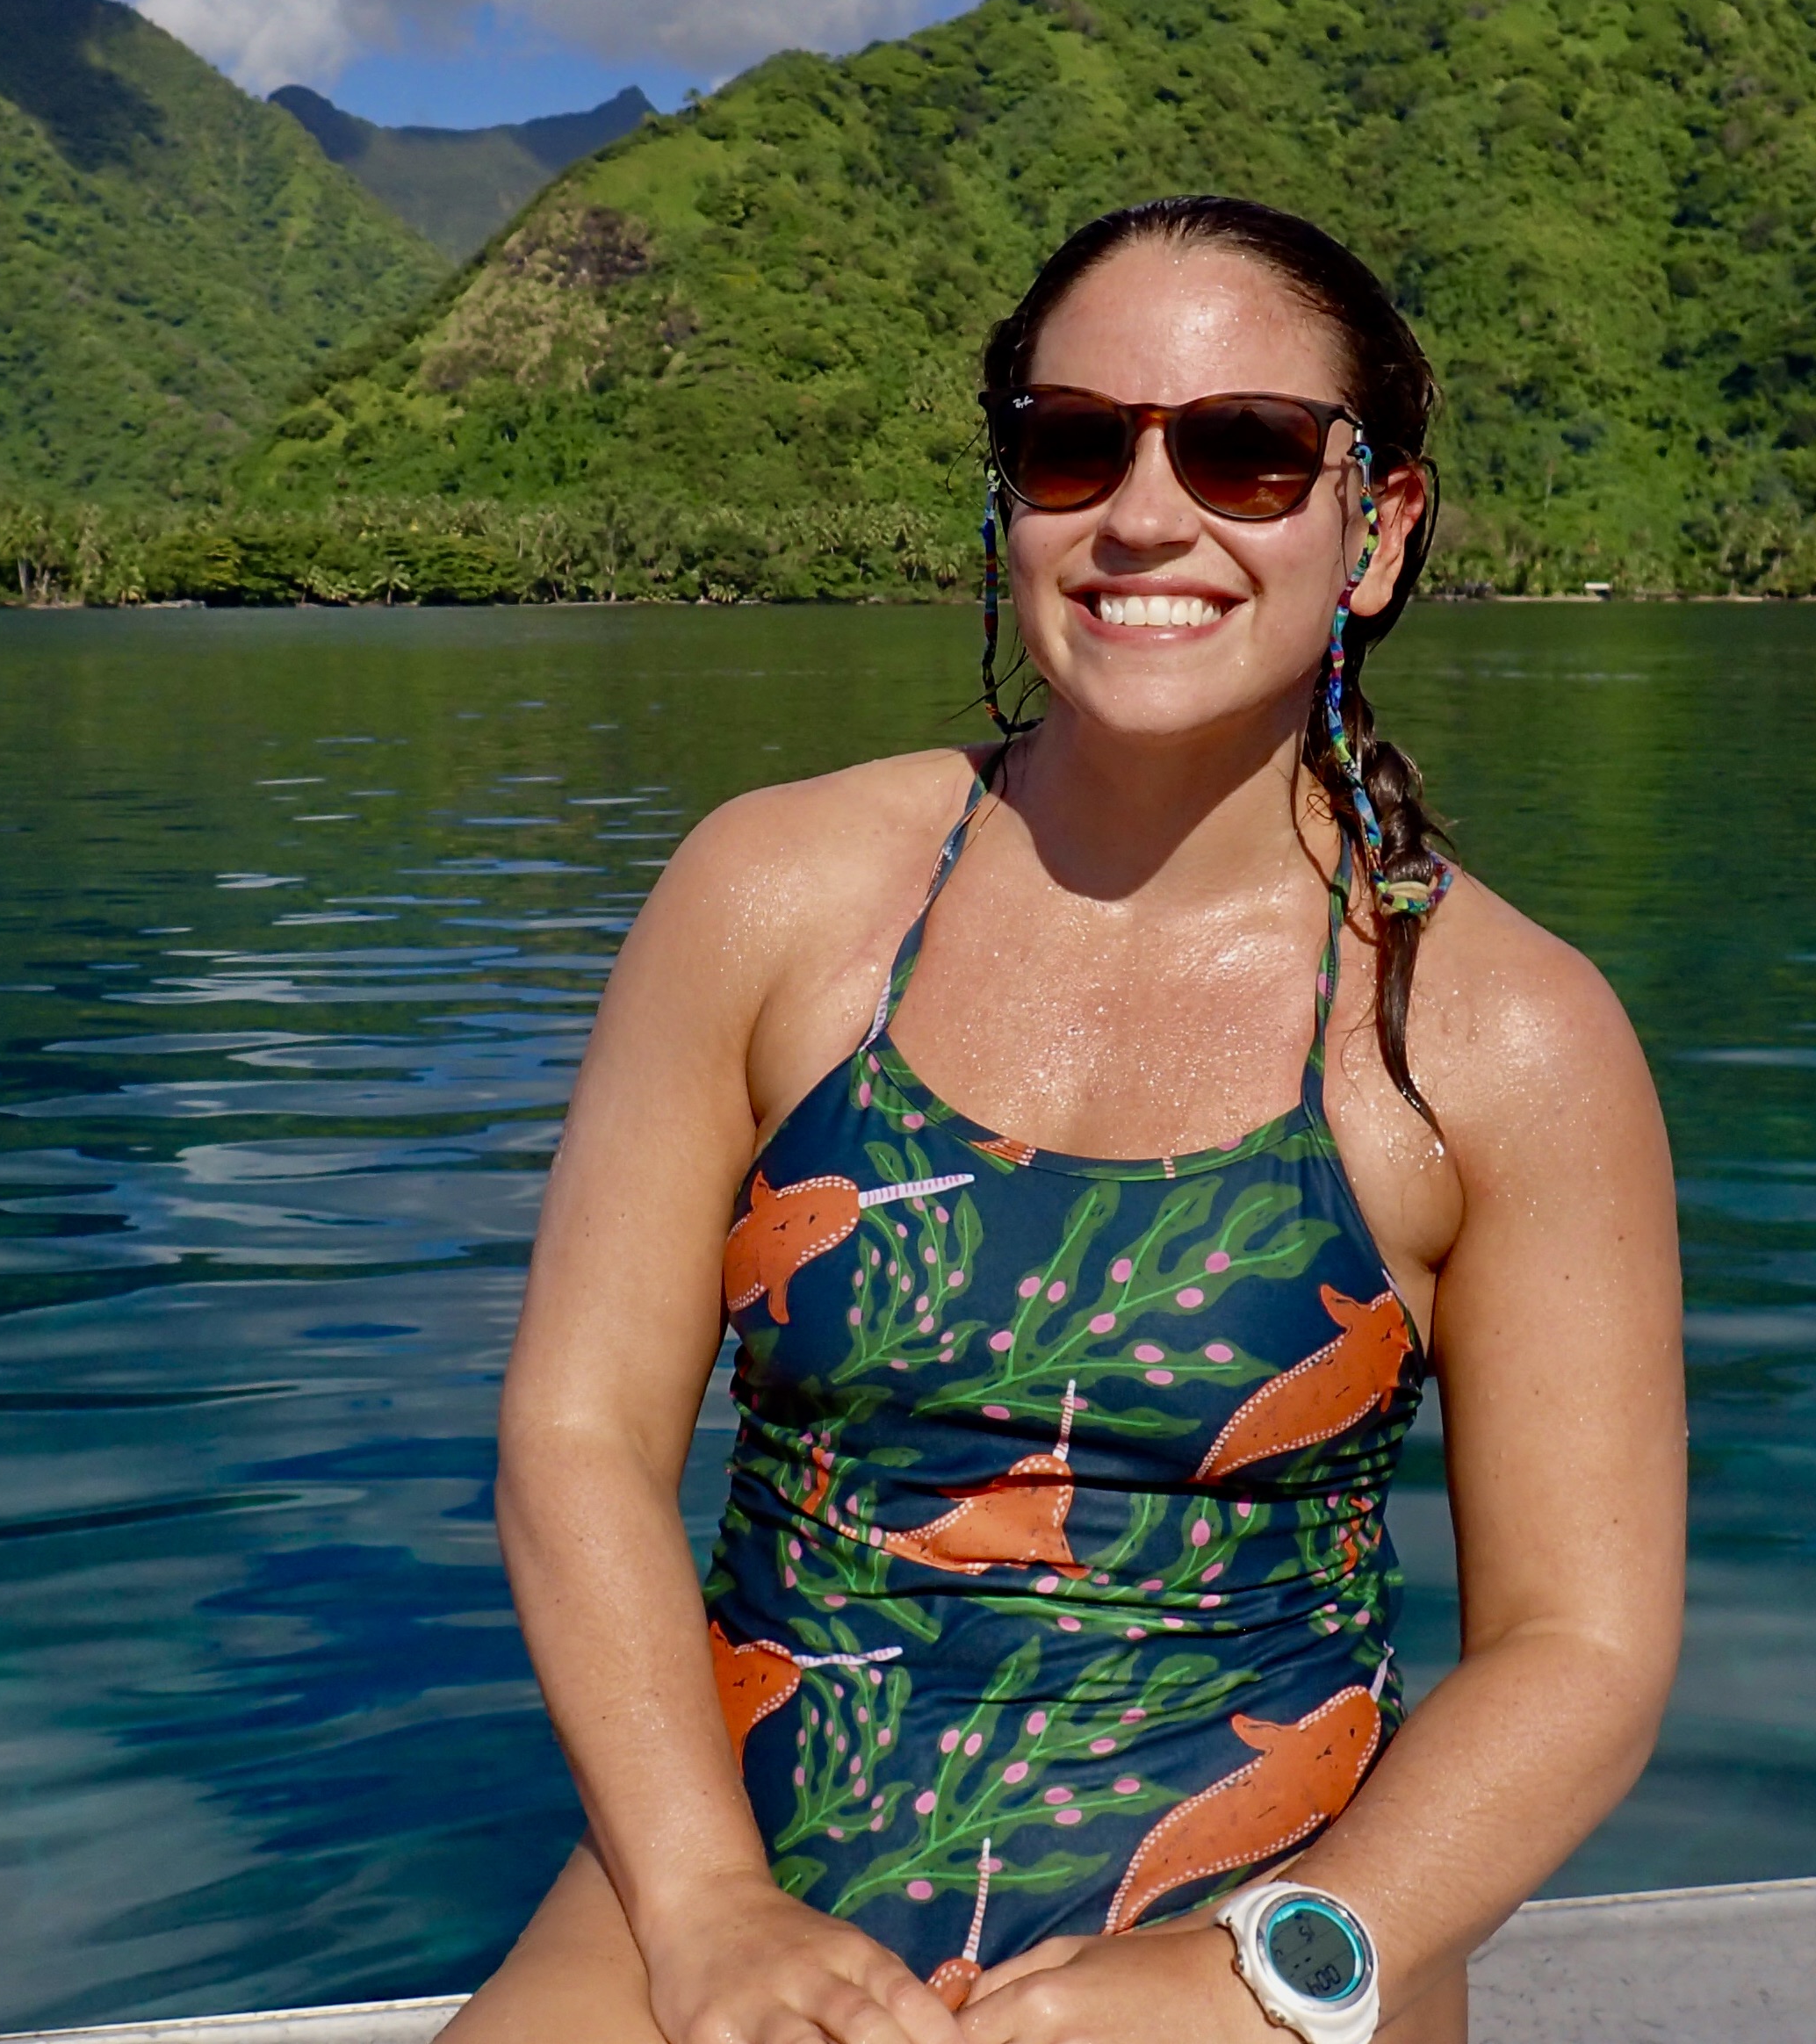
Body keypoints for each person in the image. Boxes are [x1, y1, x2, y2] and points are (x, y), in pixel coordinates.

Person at [450, 196, 1685, 2044]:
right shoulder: (775, 897)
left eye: (1250, 453)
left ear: (1379, 527)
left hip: (1257, 1926)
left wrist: (1268, 1967)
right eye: (1073, 442)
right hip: (739, 1876)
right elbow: (575, 1436)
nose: (1146, 513)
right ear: (1008, 496)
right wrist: (707, 1905)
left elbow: (1579, 1650)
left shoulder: (1500, 1035)